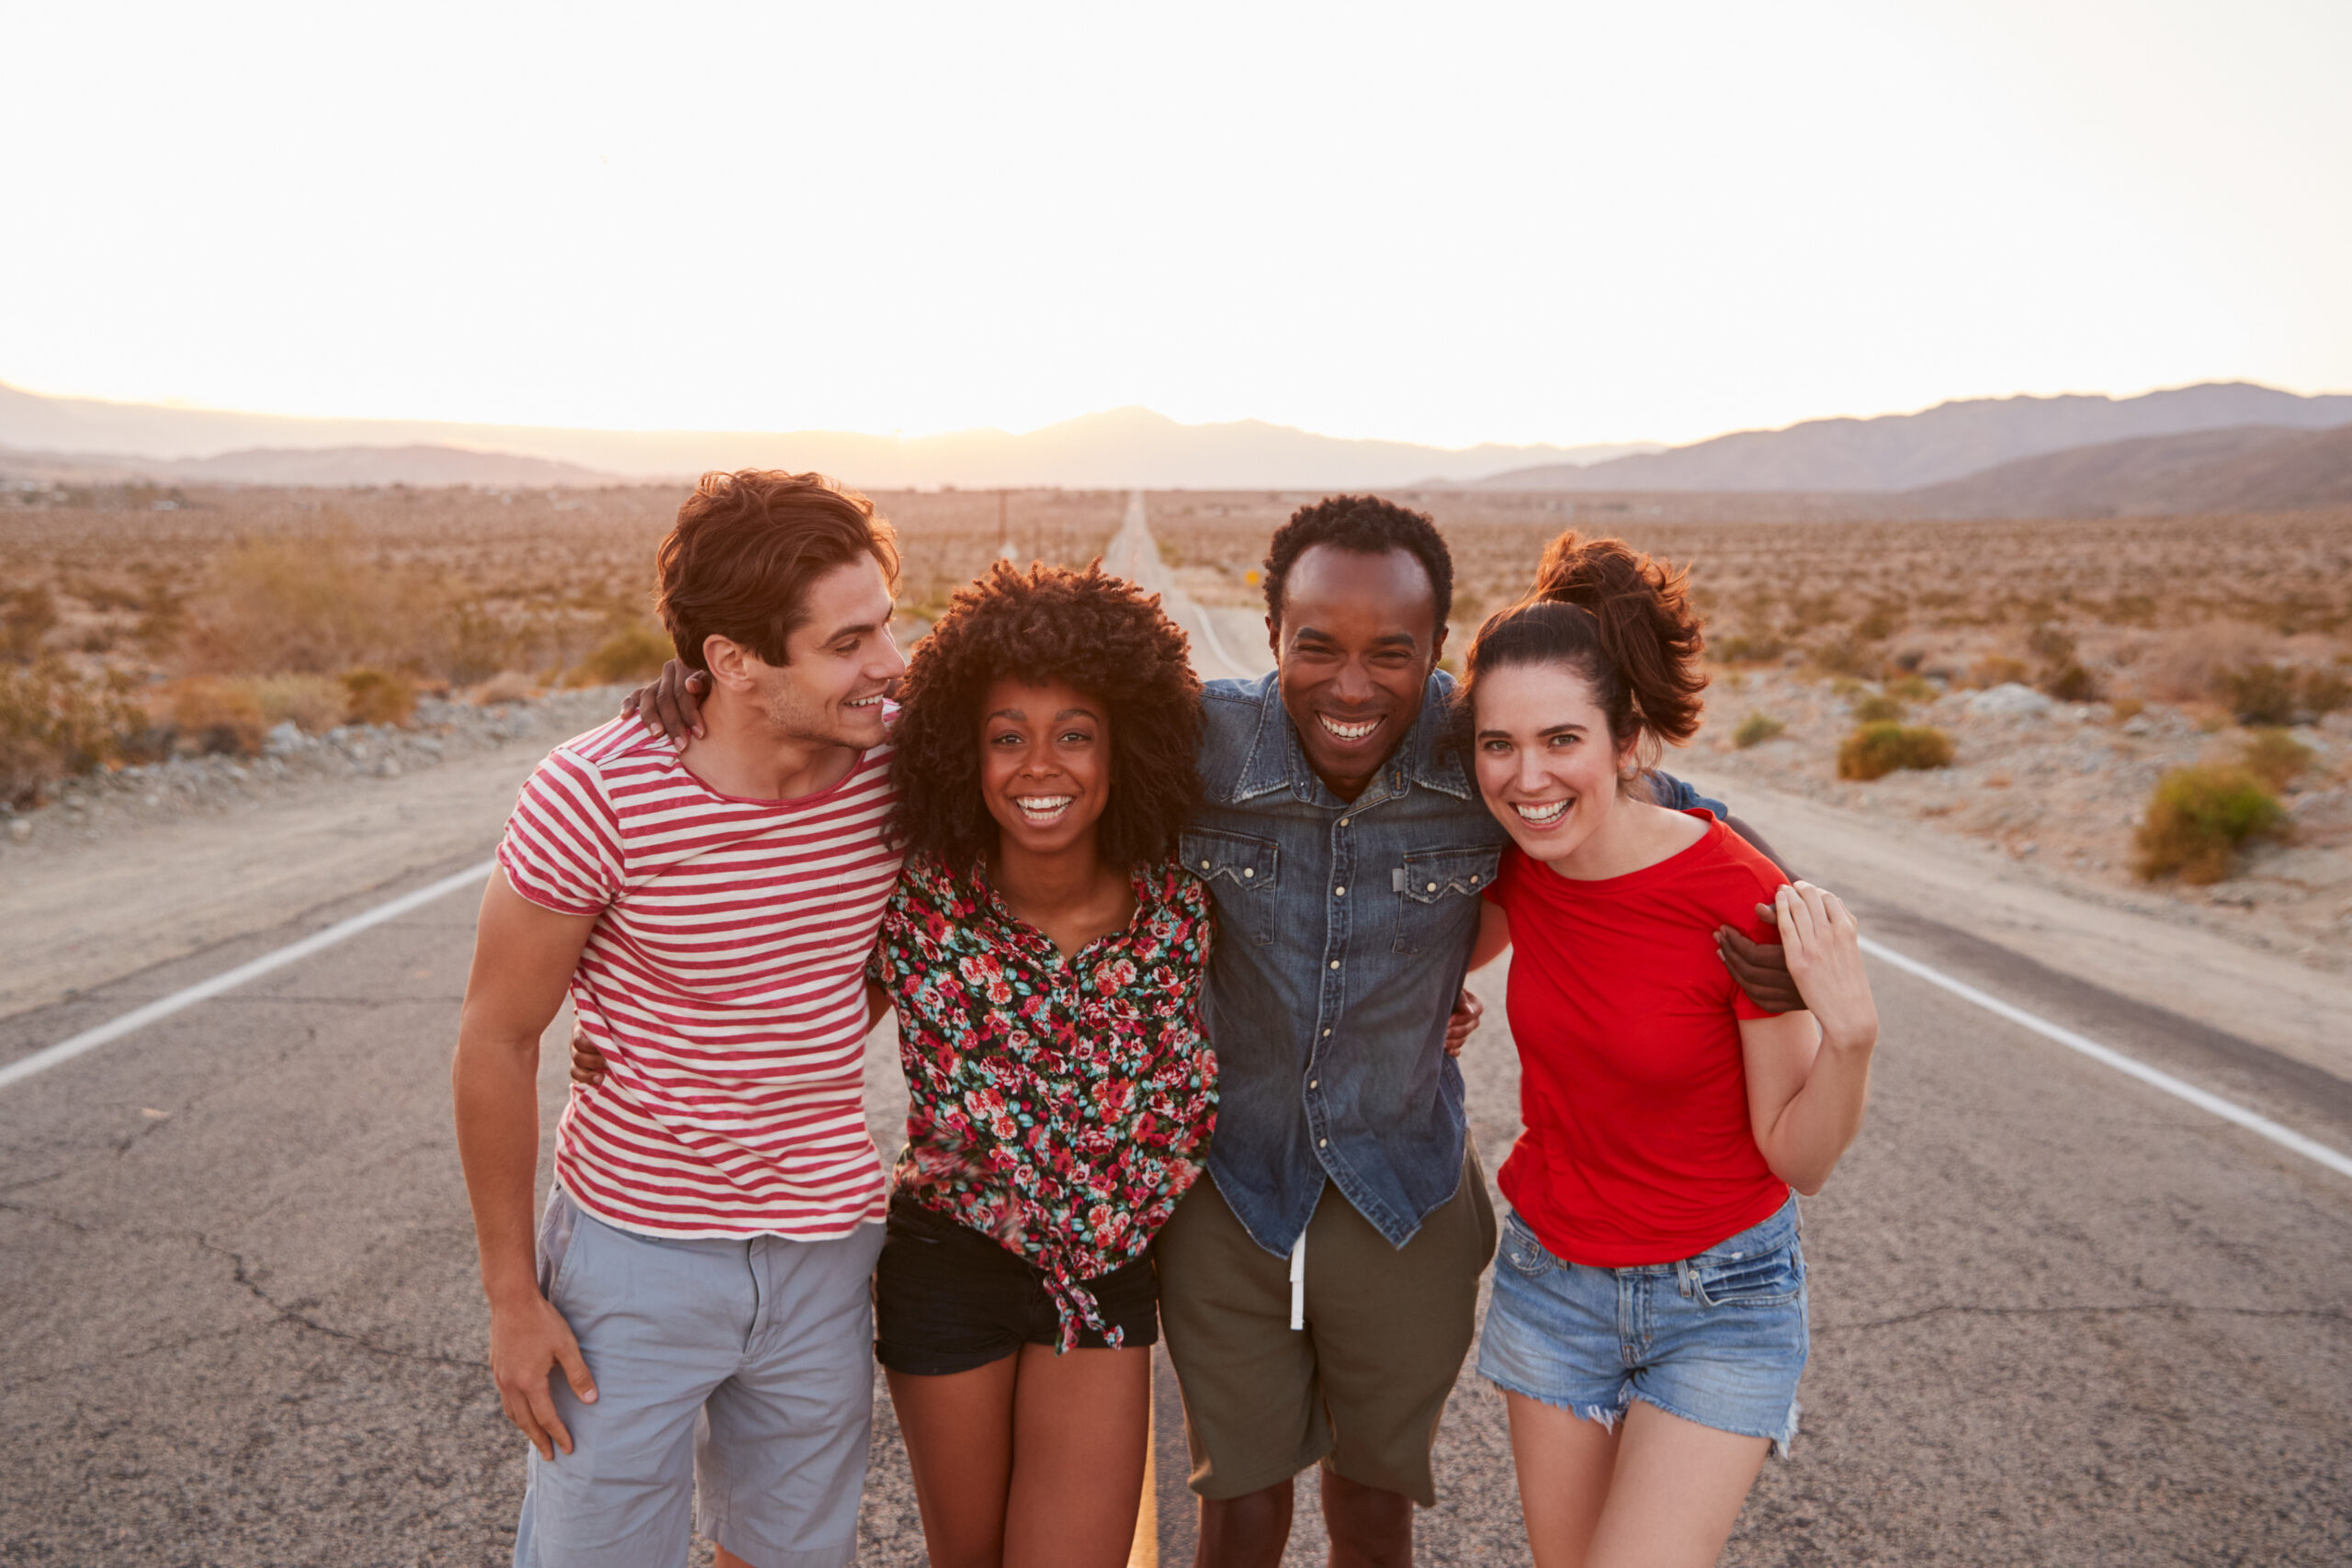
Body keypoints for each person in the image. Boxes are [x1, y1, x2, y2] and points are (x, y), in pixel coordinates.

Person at [619, 493, 1797, 1567]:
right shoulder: (1098, 795)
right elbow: (936, 733)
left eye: (1390, 650)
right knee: (1187, 1513)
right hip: (1107, 1216)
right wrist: (700, 691)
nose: (1350, 683)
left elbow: (1604, 799)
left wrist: (1776, 909)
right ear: (1271, 634)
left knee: (1366, 1503)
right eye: (1315, 645)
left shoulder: (1443, 760)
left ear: (1435, 658)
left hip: (1308, 1205)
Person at [451, 469, 908, 1568]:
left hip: (825, 1248)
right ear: (734, 663)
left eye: (888, 623)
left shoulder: (901, 762)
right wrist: (513, 1296)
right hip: (633, 1260)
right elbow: (497, 1040)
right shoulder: (594, 794)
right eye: (849, 643)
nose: (890, 663)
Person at [1457, 532, 1880, 1568]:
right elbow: (1411, 961)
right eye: (1496, 745)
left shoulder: (1734, 897)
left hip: (1719, 1301)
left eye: (1561, 740)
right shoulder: (1519, 863)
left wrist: (1852, 1037)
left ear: (1625, 743)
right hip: (1553, 1283)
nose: (1527, 778)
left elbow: (1800, 1158)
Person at [863, 562, 1218, 1566]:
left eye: (1074, 733)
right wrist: (625, 1036)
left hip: (1103, 1278)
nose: (1038, 765)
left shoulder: (1184, 907)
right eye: (1006, 736)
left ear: (1121, 748)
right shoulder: (918, 903)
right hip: (947, 1261)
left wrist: (1437, 1010)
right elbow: (792, 1018)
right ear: (964, 756)